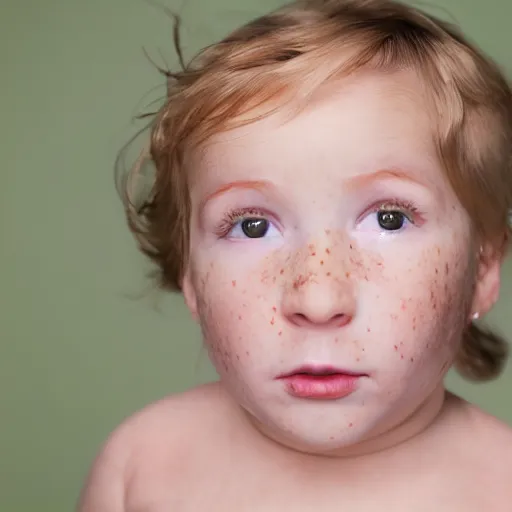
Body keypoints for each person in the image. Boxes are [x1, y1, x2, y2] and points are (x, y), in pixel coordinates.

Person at [78, 0, 512, 510]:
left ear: (481, 268)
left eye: (389, 219)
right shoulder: (143, 467)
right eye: (253, 225)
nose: (319, 297)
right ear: (191, 274)